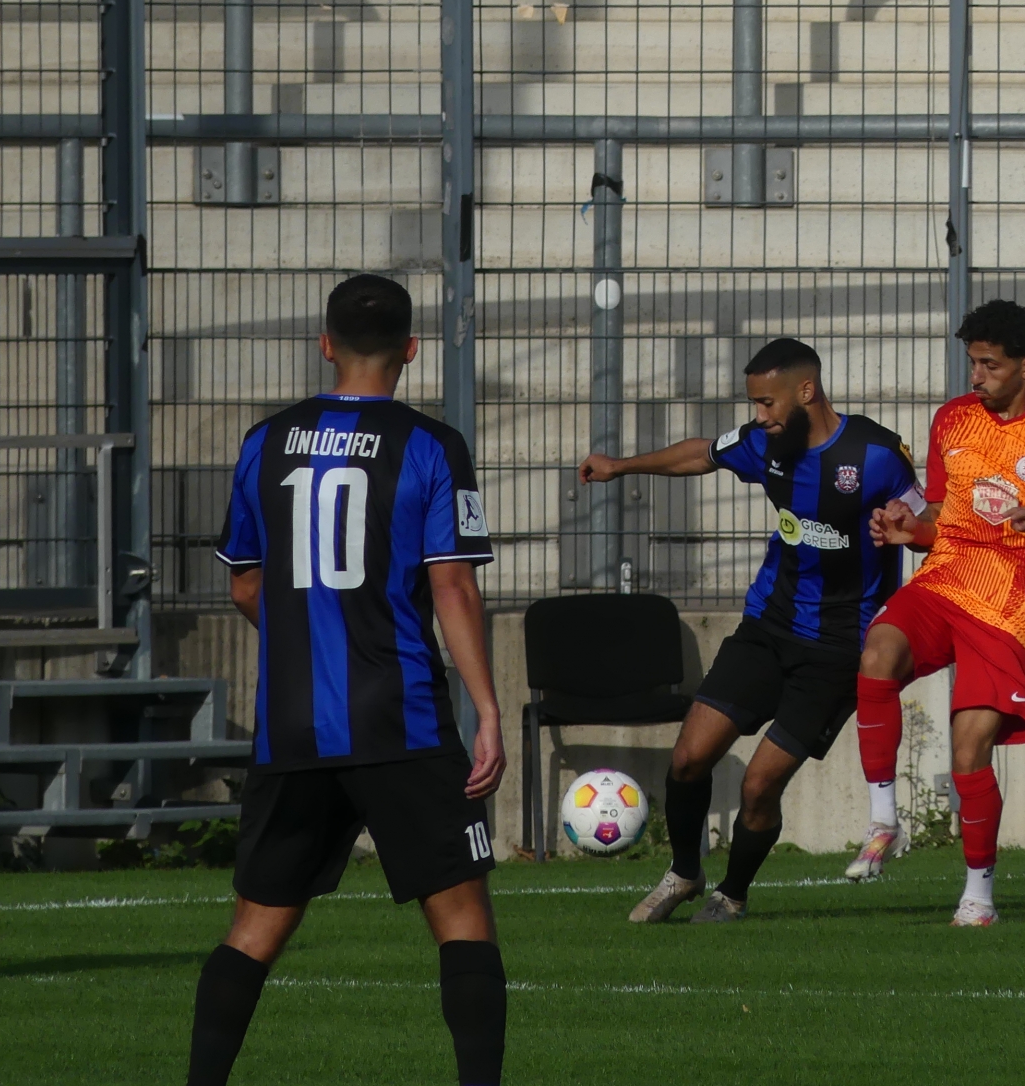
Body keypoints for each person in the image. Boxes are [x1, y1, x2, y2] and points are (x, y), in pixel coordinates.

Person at [187, 273, 506, 1086]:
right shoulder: (431, 445)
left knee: (255, 928)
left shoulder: (265, 441)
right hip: (401, 718)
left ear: (325, 344)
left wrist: (310, 635)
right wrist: (488, 709)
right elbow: (453, 586)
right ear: (412, 350)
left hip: (293, 723)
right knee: (462, 917)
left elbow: (245, 584)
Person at [580, 338, 924, 923]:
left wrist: (908, 529)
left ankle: (732, 894)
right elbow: (702, 454)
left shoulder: (876, 454)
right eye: (754, 404)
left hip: (838, 649)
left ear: (806, 391)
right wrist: (621, 466)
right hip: (767, 627)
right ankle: (684, 873)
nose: (759, 416)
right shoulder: (765, 444)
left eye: (768, 402)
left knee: (759, 786)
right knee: (689, 758)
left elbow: (930, 519)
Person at [848, 299, 1025, 924]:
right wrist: (909, 528)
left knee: (969, 749)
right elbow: (942, 514)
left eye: (989, 365)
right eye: (972, 363)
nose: (976, 377)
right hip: (947, 577)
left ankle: (978, 895)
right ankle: (884, 820)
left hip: (1013, 601)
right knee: (878, 652)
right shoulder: (952, 420)